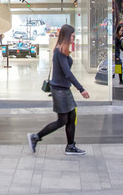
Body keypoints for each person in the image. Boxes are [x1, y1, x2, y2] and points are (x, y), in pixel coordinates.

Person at [27, 24, 90, 155]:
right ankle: (35, 137)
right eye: (72, 36)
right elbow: (68, 73)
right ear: (66, 36)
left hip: (63, 89)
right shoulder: (59, 51)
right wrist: (81, 89)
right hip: (60, 91)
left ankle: (70, 146)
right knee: (62, 120)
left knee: (72, 116)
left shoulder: (63, 51)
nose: (73, 38)